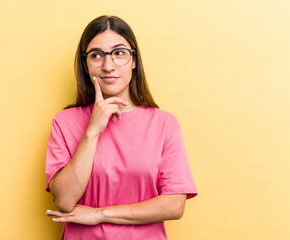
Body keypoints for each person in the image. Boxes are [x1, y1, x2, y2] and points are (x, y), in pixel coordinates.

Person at [45, 15, 198, 240]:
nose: (108, 66)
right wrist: (92, 131)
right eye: (96, 55)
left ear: (134, 61)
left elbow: (174, 205)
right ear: (85, 65)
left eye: (119, 53)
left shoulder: (164, 124)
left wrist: (100, 215)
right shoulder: (65, 122)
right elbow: (65, 201)